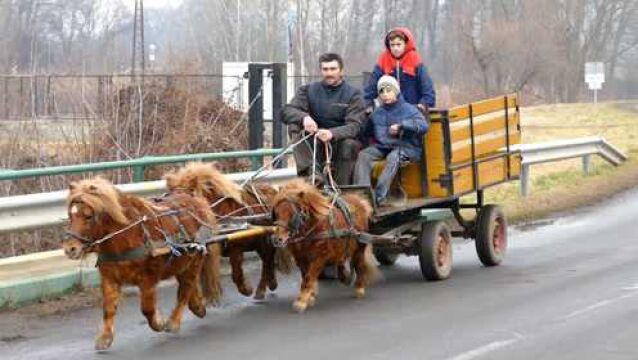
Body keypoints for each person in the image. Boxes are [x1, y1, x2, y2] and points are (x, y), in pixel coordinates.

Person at [282, 53, 366, 185]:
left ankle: (340, 189)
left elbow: (355, 126)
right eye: (325, 69)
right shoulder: (308, 90)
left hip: (340, 142)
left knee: (349, 145)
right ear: (321, 70)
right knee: (294, 125)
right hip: (315, 140)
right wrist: (304, 118)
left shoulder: (354, 95)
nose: (329, 73)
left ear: (341, 70)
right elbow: (287, 111)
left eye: (333, 69)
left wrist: (332, 133)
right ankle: (312, 174)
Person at [354, 75, 428, 205]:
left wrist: (402, 126)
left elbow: (423, 126)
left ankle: (379, 197)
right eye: (382, 91)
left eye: (389, 90)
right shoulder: (377, 113)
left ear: (397, 91)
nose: (385, 95)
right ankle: (363, 197)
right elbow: (366, 133)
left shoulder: (409, 109)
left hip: (407, 148)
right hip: (384, 147)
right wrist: (365, 118)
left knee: (393, 158)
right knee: (363, 155)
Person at [363, 27, 435, 114]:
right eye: (392, 45)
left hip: (413, 110)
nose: (395, 48)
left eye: (398, 44)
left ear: (405, 44)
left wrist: (423, 105)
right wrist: (367, 104)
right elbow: (371, 86)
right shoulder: (383, 60)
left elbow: (427, 88)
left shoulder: (415, 59)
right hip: (389, 111)